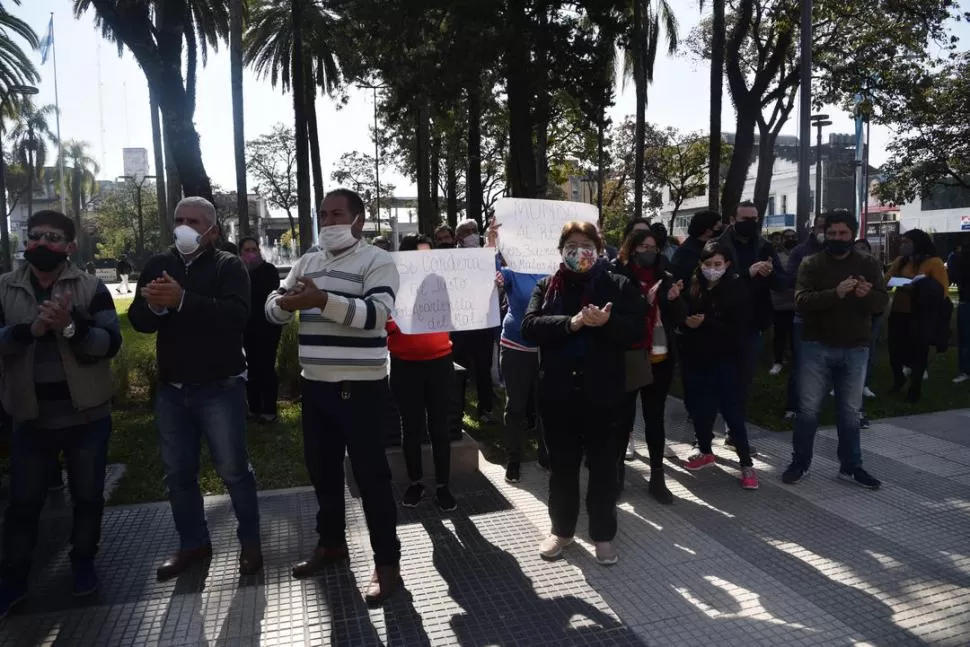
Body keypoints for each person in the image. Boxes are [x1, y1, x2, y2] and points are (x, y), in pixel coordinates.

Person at [266, 188, 401, 605]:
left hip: (360, 390)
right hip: (317, 387)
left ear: (358, 219)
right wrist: (286, 303)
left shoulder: (377, 261)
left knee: (372, 480)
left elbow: (377, 316)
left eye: (337, 214)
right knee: (322, 474)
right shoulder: (308, 260)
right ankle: (331, 544)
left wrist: (321, 300)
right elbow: (273, 308)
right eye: (323, 214)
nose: (328, 222)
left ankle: (387, 565)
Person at [129, 197, 262, 581]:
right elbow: (140, 319)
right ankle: (194, 543)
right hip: (173, 390)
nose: (184, 227)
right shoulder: (159, 265)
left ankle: (250, 542)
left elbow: (237, 317)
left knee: (234, 470)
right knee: (178, 473)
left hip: (220, 387)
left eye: (193, 221)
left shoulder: (229, 265)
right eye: (179, 220)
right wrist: (155, 308)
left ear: (213, 230)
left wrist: (183, 300)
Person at [0, 210, 122, 618]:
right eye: (35, 236)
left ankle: (83, 562)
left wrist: (71, 328)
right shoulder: (5, 289)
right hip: (30, 419)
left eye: (53, 237)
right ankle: (15, 578)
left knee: (87, 497)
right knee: (22, 504)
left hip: (86, 418)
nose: (41, 244)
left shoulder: (90, 288)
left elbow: (109, 343)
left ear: (70, 247)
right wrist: (28, 332)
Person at [521, 221, 644, 565]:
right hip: (558, 396)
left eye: (586, 244)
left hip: (605, 398)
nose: (579, 252)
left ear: (599, 248)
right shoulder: (547, 287)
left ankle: (603, 535)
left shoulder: (617, 285)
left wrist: (608, 324)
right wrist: (571, 323)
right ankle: (562, 530)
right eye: (571, 245)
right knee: (562, 469)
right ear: (561, 251)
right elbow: (529, 327)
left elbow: (636, 329)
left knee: (605, 468)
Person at [782, 211, 888, 489]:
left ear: (852, 234)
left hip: (855, 347)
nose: (837, 238)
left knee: (850, 412)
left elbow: (880, 303)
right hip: (816, 346)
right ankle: (800, 462)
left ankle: (851, 467)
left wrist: (868, 296)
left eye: (842, 234)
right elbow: (801, 301)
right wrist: (836, 293)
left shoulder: (868, 263)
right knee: (807, 410)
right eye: (831, 234)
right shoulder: (811, 263)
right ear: (823, 235)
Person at [678, 241, 759, 490]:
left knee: (733, 414)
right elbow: (682, 317)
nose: (712, 269)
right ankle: (705, 451)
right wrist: (686, 322)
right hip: (697, 359)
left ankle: (746, 464)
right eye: (707, 264)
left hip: (728, 360)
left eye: (717, 264)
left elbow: (740, 329)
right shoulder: (693, 286)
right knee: (701, 410)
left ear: (727, 265)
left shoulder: (736, 288)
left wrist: (707, 323)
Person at [613, 228, 686, 504]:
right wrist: (646, 303)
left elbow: (680, 317)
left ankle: (657, 476)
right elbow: (615, 319)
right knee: (624, 418)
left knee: (655, 417)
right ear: (632, 249)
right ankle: (618, 474)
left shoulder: (665, 278)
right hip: (630, 356)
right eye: (643, 246)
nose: (649, 252)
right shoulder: (618, 278)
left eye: (653, 247)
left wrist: (673, 300)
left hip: (659, 358)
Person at [387, 234, 457, 512]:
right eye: (420, 255)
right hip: (405, 365)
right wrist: (392, 326)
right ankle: (415, 482)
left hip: (439, 363)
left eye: (429, 254)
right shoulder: (393, 285)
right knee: (411, 428)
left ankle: (443, 486)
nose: (426, 260)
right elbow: (383, 319)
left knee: (440, 427)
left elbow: (468, 307)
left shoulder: (443, 281)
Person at [716, 200, 784, 446]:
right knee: (722, 379)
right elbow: (713, 283)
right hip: (722, 323)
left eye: (754, 219)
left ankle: (735, 432)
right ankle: (708, 428)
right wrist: (748, 273)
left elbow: (781, 281)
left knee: (743, 380)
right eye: (745, 219)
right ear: (733, 220)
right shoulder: (717, 246)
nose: (750, 224)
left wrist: (771, 271)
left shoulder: (764, 245)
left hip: (752, 323)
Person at [486, 220, 548, 484]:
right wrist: (490, 243)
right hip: (516, 346)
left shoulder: (554, 269)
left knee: (547, 404)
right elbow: (487, 272)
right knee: (517, 405)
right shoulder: (512, 272)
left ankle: (547, 453)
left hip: (548, 346)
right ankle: (514, 457)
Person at [884, 229, 949, 402]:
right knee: (895, 350)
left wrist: (920, 287)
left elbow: (942, 291)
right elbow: (886, 281)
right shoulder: (901, 261)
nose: (903, 246)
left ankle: (915, 389)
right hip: (899, 311)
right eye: (902, 242)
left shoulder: (934, 263)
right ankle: (899, 379)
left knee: (919, 352)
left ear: (918, 244)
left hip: (920, 314)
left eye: (907, 242)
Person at [782, 213, 828, 420]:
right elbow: (789, 279)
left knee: (827, 362)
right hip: (805, 315)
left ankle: (818, 404)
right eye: (820, 227)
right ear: (813, 229)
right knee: (801, 361)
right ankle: (793, 405)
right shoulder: (801, 251)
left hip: (832, 316)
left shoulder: (840, 251)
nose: (824, 233)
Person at [451, 219, 497, 422]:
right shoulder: (450, 259)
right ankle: (456, 411)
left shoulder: (487, 256)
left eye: (474, 230)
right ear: (458, 237)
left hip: (483, 322)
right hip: (460, 323)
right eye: (466, 231)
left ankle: (485, 409)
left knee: (483, 368)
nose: (471, 234)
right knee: (458, 369)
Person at [239, 236, 283, 424]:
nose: (251, 254)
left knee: (266, 366)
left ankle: (269, 409)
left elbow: (267, 294)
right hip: (247, 328)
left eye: (254, 250)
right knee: (251, 367)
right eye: (246, 251)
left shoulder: (269, 270)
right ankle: (254, 407)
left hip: (267, 327)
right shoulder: (238, 272)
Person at [853, 239, 882, 405]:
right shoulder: (847, 267)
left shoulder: (875, 268)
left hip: (872, 315)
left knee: (869, 349)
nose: (861, 251)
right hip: (851, 315)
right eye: (857, 248)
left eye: (864, 248)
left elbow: (881, 294)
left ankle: (865, 384)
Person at [769, 229, 798, 376]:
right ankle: (778, 361)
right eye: (787, 237)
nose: (790, 239)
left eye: (793, 237)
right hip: (779, 302)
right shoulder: (776, 257)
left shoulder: (800, 255)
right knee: (779, 334)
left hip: (797, 302)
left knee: (795, 335)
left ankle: (796, 362)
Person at [670, 210, 723, 288]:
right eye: (718, 228)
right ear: (708, 231)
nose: (721, 230)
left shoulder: (698, 246)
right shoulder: (688, 253)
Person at [953, 240, 969, 384]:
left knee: (965, 340)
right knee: (965, 339)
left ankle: (964, 370)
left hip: (965, 301)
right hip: (965, 301)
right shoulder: (961, 259)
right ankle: (964, 370)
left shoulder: (960, 258)